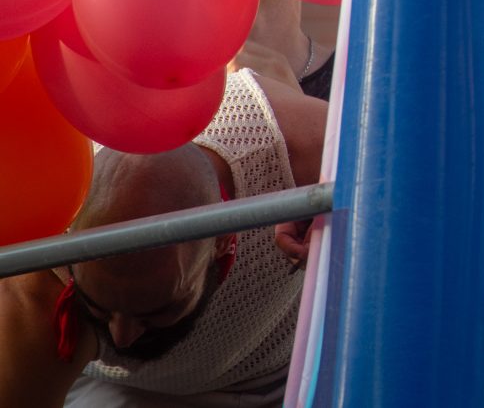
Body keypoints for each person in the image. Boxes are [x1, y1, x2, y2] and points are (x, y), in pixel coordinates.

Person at [0, 63, 328, 408]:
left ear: (219, 241)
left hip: (294, 368)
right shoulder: (41, 286)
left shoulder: (294, 149)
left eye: (154, 311)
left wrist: (354, 215)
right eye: (99, 306)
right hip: (131, 394)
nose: (121, 337)